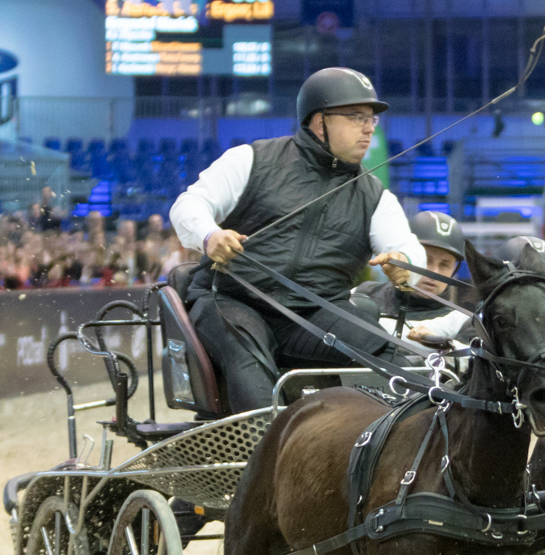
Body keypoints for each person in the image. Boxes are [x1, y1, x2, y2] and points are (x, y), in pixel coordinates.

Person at [169, 67, 430, 412]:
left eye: (372, 120)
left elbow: (408, 248)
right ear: (319, 121)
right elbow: (188, 204)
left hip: (313, 315)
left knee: (397, 358)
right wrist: (210, 235)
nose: (369, 128)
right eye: (356, 117)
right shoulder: (252, 159)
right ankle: (261, 458)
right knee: (246, 355)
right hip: (232, 300)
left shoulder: (375, 196)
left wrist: (406, 266)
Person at [352, 211, 473, 349]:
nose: (434, 272)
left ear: (454, 269)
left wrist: (445, 345)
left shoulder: (462, 322)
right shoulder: (363, 294)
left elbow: (474, 363)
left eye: (444, 265)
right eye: (427, 260)